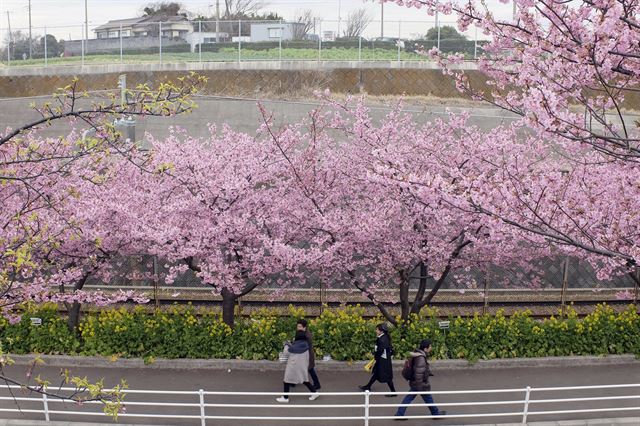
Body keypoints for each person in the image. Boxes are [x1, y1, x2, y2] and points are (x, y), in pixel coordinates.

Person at [394, 339, 446, 420]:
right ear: (425, 349)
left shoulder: (418, 354)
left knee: (414, 398)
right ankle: (435, 414)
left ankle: (399, 414)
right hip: (420, 384)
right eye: (430, 346)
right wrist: (420, 387)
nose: (431, 348)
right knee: (426, 398)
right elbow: (419, 373)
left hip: (416, 383)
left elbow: (420, 370)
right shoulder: (421, 358)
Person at [276, 330, 320, 403]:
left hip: (293, 366)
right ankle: (314, 393)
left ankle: (285, 398)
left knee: (286, 380)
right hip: (302, 366)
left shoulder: (293, 347)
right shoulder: (306, 345)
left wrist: (286, 345)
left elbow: (286, 353)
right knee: (305, 381)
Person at [359, 323, 397, 396]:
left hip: (383, 361)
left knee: (386, 376)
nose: (376, 331)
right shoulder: (385, 337)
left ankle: (393, 392)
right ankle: (368, 386)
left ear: (381, 331)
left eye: (377, 329)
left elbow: (380, 350)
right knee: (377, 373)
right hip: (384, 360)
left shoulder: (382, 339)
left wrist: (375, 358)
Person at [297, 319, 321, 390]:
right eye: (297, 326)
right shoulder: (301, 332)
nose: (298, 328)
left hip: (307, 356)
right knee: (300, 369)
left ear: (304, 327)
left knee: (310, 370)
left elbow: (303, 346)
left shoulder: (307, 336)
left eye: (299, 326)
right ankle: (294, 381)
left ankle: (317, 384)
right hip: (304, 355)